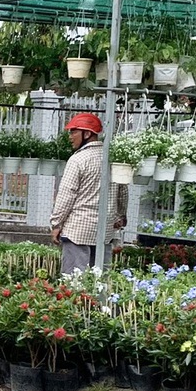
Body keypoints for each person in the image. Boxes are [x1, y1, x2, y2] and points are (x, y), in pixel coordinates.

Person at [48, 112, 126, 274]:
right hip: (105, 230)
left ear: (87, 134)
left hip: (77, 230)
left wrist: (56, 224)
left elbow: (66, 194)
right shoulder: (111, 157)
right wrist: (120, 215)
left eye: (74, 132)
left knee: (73, 283)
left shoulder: (78, 159)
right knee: (99, 280)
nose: (70, 136)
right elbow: (123, 190)